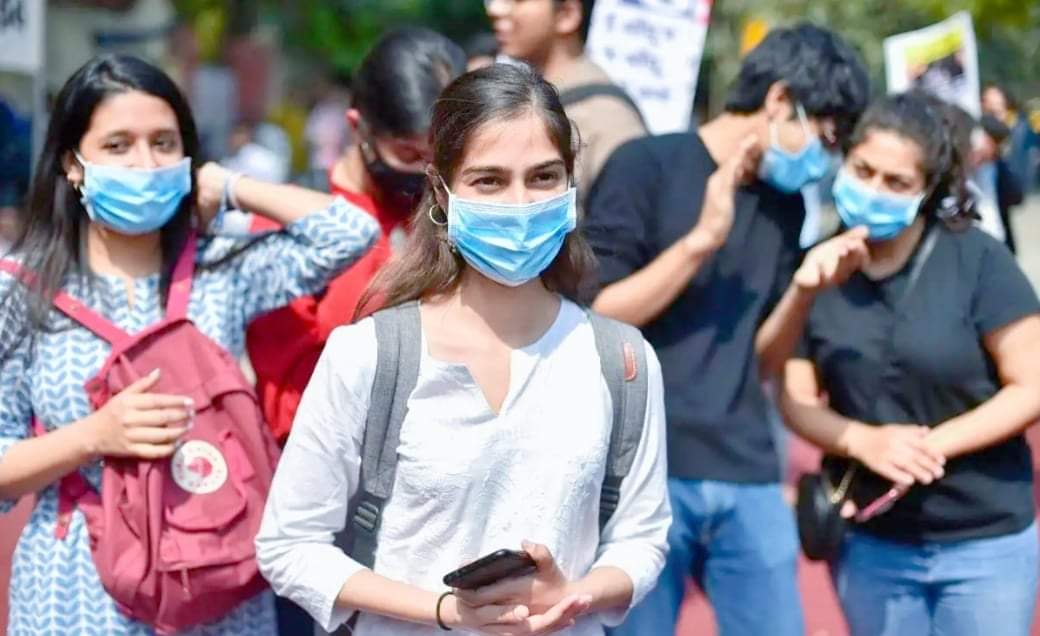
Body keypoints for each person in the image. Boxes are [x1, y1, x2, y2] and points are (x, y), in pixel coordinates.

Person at [255, 62, 670, 636]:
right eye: (489, 181)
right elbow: (289, 545)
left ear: (571, 185)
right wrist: (447, 610)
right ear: (442, 193)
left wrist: (573, 596)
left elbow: (642, 539)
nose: (520, 204)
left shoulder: (621, 362)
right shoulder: (370, 355)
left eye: (543, 177)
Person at [0, 54, 379, 635]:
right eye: (118, 146)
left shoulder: (219, 270)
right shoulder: (21, 290)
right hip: (78, 593)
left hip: (215, 583)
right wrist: (93, 437)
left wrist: (228, 186)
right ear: (73, 165)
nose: (145, 163)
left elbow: (351, 234)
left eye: (163, 143)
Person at [583, 24, 871, 636]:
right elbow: (599, 318)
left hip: (746, 465)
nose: (824, 158)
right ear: (779, 100)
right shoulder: (646, 165)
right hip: (641, 469)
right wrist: (701, 241)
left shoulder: (784, 205)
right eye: (824, 137)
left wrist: (803, 291)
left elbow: (760, 359)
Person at [781, 91, 1040, 636]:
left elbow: (1031, 384)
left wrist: (929, 446)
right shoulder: (817, 268)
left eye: (896, 182)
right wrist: (863, 442)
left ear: (927, 191)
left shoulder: (979, 259)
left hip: (984, 542)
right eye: (863, 171)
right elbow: (794, 398)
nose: (874, 190)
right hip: (872, 543)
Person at [246, 28, 467, 445]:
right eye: (409, 154)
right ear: (357, 128)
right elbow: (285, 405)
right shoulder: (293, 222)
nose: (427, 172)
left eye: (442, 157)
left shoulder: (456, 213)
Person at [484, 0, 646, 203]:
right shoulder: (523, 97)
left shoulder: (607, 119)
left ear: (567, 14)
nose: (495, 9)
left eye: (518, 1)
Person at [983, 84, 1039, 195]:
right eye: (985, 99)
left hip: (1021, 181)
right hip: (998, 184)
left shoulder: (1021, 122)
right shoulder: (984, 125)